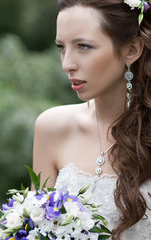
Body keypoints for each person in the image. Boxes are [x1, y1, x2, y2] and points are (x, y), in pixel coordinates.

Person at [33, 0, 151, 239]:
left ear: (132, 50)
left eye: (84, 47)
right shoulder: (52, 128)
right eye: (61, 47)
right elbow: (37, 228)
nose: (67, 64)